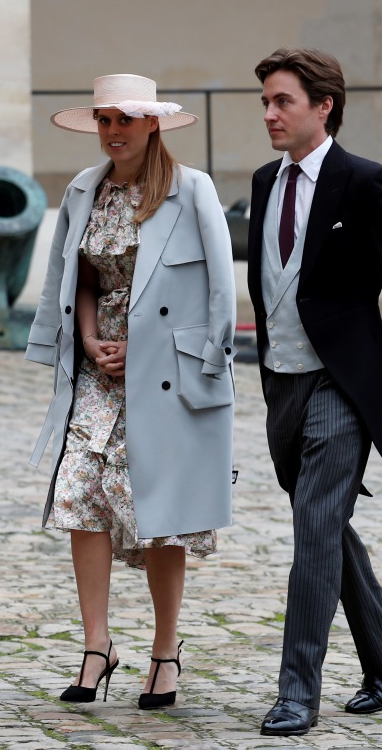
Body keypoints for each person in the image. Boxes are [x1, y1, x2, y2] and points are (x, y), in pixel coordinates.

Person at [26, 74, 237, 710]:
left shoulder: (191, 189)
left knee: (158, 514)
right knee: (78, 495)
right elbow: (78, 279)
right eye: (104, 119)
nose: (114, 130)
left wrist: (147, 353)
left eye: (126, 118)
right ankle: (97, 646)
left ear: (153, 124)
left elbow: (220, 293)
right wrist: (89, 342)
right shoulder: (84, 190)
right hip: (98, 370)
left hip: (169, 372)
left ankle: (165, 652)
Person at [247, 49, 382, 736]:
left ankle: (297, 690)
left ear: (323, 105)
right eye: (265, 102)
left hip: (344, 385)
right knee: (321, 522)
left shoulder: (365, 182)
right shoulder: (265, 182)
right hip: (282, 384)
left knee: (313, 529)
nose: (269, 114)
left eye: (282, 101)